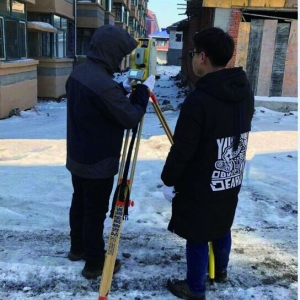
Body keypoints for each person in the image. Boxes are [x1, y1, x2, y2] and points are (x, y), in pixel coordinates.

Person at [161, 27, 254, 300]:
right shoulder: (243, 92)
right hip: (230, 173)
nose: (191, 59)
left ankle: (195, 287)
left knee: (199, 233)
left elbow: (183, 149)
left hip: (201, 180)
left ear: (202, 57)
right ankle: (219, 271)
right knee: (222, 223)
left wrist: (169, 179)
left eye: (192, 53)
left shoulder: (199, 100)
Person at [65, 25, 155, 279]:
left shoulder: (79, 73)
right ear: (111, 52)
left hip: (78, 156)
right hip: (98, 161)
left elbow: (96, 104)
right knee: (94, 212)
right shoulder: (103, 86)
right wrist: (142, 93)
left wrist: (121, 90)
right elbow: (129, 117)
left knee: (79, 203)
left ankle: (77, 247)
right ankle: (94, 262)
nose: (122, 60)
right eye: (120, 54)